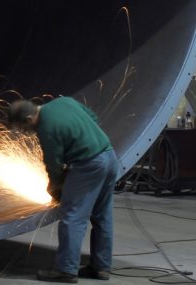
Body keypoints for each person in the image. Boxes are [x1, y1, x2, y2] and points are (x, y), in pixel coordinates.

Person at [8, 97, 116, 283]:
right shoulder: (64, 102)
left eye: (24, 128)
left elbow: (53, 164)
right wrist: (83, 140)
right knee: (102, 216)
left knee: (72, 217)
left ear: (28, 119)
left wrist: (55, 187)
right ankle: (101, 267)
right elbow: (93, 118)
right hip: (109, 156)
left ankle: (66, 270)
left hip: (88, 165)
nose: (27, 133)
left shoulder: (46, 128)